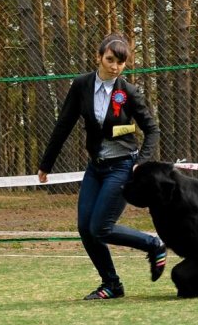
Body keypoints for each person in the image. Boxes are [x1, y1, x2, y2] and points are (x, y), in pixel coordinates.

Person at [38, 33, 167, 300]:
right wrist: (46, 164)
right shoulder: (81, 86)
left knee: (101, 227)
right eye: (110, 60)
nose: (114, 66)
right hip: (96, 167)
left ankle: (153, 244)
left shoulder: (128, 92)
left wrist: (140, 163)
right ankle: (111, 284)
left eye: (121, 62)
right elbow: (63, 125)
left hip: (122, 166)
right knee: (85, 228)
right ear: (99, 57)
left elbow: (152, 130)